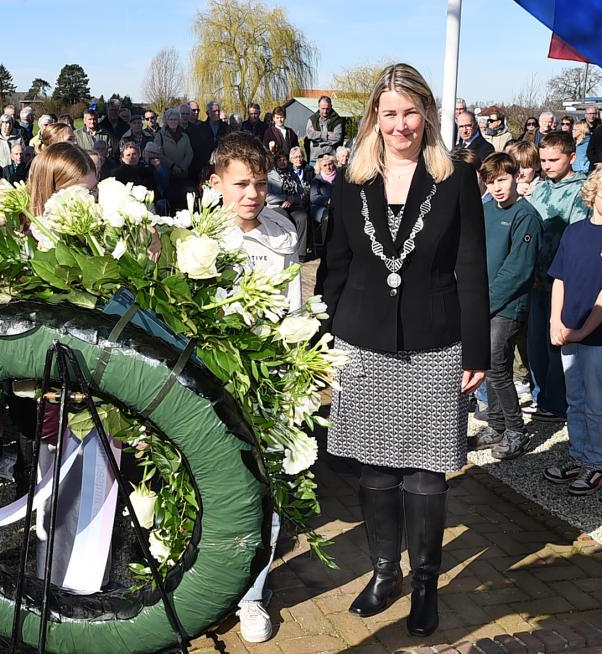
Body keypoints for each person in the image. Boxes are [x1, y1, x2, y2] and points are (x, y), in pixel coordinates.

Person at [316, 63, 488, 638]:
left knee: (427, 476)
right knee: (374, 472)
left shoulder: (456, 179)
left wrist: (477, 350)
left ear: (427, 114)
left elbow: (470, 266)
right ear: (374, 117)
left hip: (434, 342)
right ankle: (384, 572)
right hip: (361, 340)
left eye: (410, 111)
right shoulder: (353, 177)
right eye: (389, 113)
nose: (400, 124)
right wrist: (319, 338)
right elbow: (335, 261)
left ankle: (424, 585)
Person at [208, 132, 300, 643]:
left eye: (260, 184)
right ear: (217, 183)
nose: (252, 194)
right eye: (241, 184)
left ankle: (253, 595)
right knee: (216, 488)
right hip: (218, 382)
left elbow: (294, 307)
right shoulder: (198, 235)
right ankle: (208, 585)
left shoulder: (283, 231)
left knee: (268, 488)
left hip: (272, 379)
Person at [543, 164, 602, 495]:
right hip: (569, 330)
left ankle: (596, 462)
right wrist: (556, 320)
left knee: (598, 400)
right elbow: (560, 279)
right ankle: (578, 454)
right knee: (576, 397)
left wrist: (583, 331)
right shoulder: (574, 232)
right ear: (592, 195)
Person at [472, 153, 542, 460]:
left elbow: (518, 270)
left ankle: (517, 431)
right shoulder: (487, 210)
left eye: (502, 179)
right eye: (491, 181)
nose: (497, 187)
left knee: (498, 366)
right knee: (488, 364)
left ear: (516, 177)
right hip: (484, 301)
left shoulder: (525, 216)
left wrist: (485, 302)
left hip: (508, 306)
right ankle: (497, 426)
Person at [526, 132, 590, 424]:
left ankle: (557, 402)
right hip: (534, 276)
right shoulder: (540, 188)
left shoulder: (581, 191)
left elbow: (576, 239)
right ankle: (542, 396)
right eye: (543, 160)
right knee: (536, 342)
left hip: (560, 278)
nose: (547, 165)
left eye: (554, 160)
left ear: (572, 158)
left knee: (556, 343)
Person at [266, 151, 309, 259]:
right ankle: (286, 249)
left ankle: (300, 253)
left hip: (293, 204)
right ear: (275, 162)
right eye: (279, 160)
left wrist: (292, 199)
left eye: (284, 159)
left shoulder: (292, 174)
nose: (282, 162)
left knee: (302, 217)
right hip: (276, 206)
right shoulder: (270, 176)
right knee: (285, 218)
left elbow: (301, 193)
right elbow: (267, 197)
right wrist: (284, 198)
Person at [153, 109, 193, 211]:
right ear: (166, 120)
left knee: (183, 203)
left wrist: (181, 167)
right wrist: (172, 166)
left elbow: (189, 154)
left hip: (182, 175)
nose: (173, 122)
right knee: (169, 204)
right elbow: (158, 154)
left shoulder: (185, 136)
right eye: (171, 119)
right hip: (167, 176)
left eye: (175, 119)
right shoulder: (160, 135)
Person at [304, 96, 345, 164]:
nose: (325, 111)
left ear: (331, 106)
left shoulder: (337, 120)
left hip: (331, 159)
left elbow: (337, 138)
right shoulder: (312, 119)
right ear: (318, 107)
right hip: (315, 159)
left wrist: (318, 139)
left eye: (327, 109)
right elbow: (310, 135)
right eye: (323, 108)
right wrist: (326, 134)